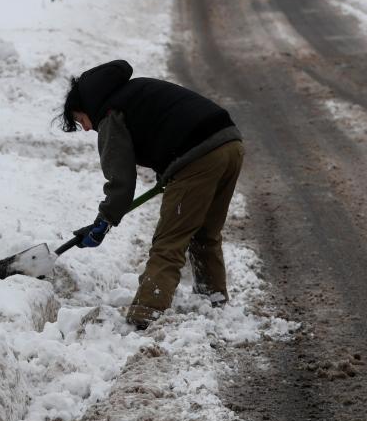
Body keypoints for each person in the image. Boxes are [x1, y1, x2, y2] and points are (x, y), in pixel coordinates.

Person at [59, 59, 243, 329]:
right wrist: (168, 174)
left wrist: (105, 219)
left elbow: (121, 180)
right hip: (230, 144)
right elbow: (165, 126)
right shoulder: (136, 91)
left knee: (169, 240)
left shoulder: (110, 114)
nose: (86, 127)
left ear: (87, 107)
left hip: (199, 157)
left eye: (80, 119)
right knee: (205, 233)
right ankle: (213, 299)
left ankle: (146, 312)